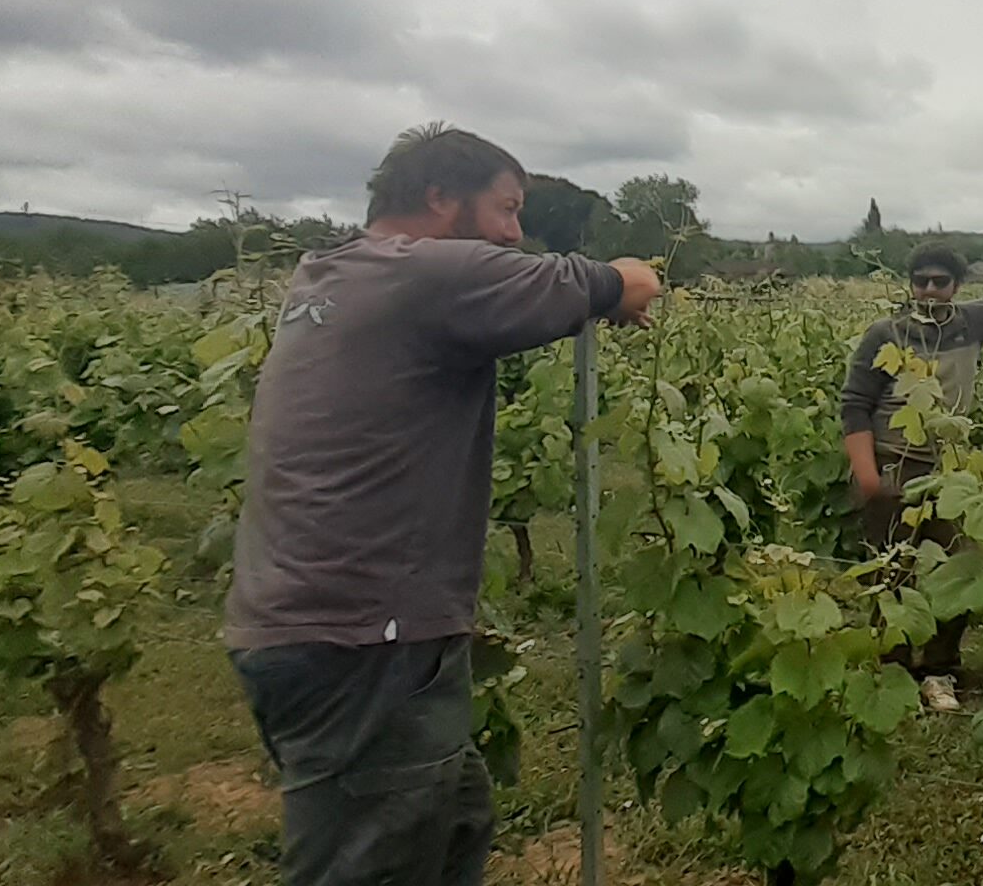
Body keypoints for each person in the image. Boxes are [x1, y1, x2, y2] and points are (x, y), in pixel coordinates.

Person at [225, 124, 663, 886]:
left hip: (315, 628)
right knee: (374, 860)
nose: (515, 233)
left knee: (453, 821)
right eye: (506, 209)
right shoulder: (425, 274)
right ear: (438, 198)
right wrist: (620, 284)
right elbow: (623, 281)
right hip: (365, 644)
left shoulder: (329, 273)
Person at [839, 242, 983, 710]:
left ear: (956, 287)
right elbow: (855, 405)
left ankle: (939, 671)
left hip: (949, 471)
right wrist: (866, 475)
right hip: (893, 463)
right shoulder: (886, 333)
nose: (928, 289)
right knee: (892, 574)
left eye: (939, 282)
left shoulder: (969, 324)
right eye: (920, 280)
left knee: (956, 571)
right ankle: (894, 672)